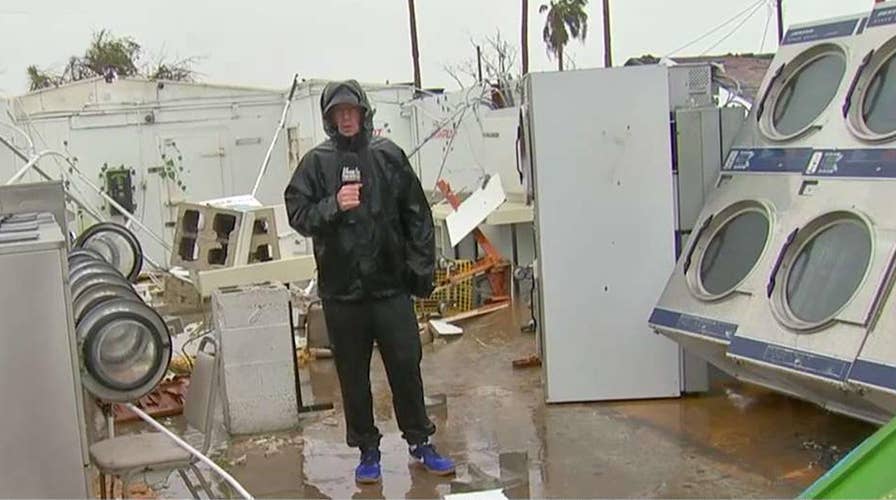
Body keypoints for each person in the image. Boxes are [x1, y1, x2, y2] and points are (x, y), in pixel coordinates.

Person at [284, 80, 456, 484]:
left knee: (405, 365)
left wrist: (420, 272)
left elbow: (417, 215)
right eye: (337, 112)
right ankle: (368, 450)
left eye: (351, 111)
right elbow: (297, 212)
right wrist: (332, 205)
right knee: (353, 376)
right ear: (329, 118)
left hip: (389, 287)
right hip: (342, 293)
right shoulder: (315, 163)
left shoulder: (387, 156)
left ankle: (420, 441)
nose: (346, 118)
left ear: (363, 113)